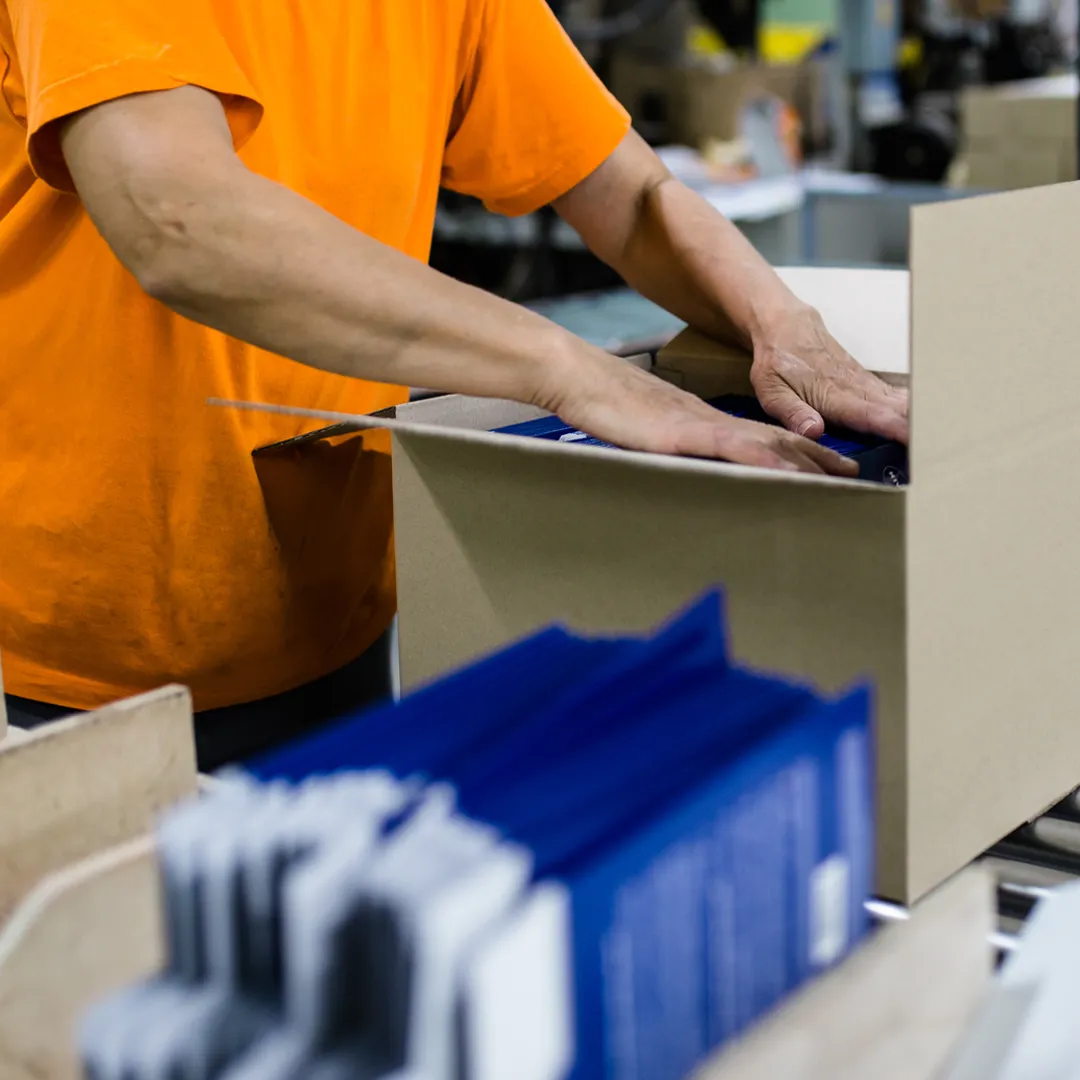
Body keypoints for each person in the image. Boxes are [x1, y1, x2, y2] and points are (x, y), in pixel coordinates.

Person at [0, 0, 907, 768]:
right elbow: (180, 218)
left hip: (333, 608)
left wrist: (782, 326)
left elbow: (628, 197)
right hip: (81, 662)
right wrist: (568, 370)